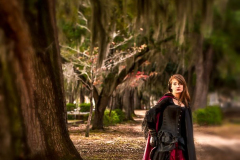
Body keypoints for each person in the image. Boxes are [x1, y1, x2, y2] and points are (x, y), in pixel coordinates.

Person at [142, 74, 196, 160]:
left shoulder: (186, 104)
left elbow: (187, 127)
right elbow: (150, 114)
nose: (178, 86)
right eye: (175, 84)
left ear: (184, 86)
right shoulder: (166, 100)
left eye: (180, 83)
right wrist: (153, 134)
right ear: (171, 87)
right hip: (165, 142)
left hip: (180, 144)